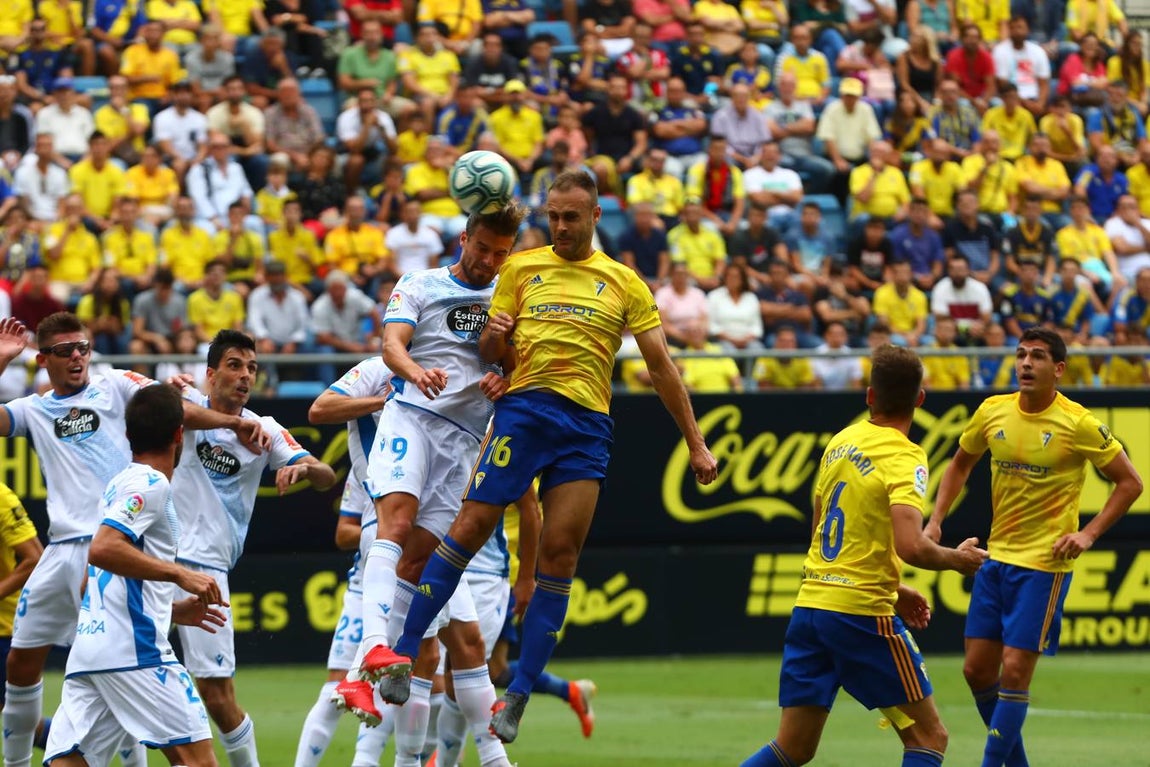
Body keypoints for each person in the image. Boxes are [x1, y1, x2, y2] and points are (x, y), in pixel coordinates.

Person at [363, 170, 719, 742]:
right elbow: (489, 353)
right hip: (524, 415)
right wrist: (497, 334)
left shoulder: (624, 282)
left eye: (570, 217)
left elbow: (660, 368)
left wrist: (696, 445)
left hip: (585, 428)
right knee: (470, 525)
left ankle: (520, 695)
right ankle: (402, 654)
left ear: (596, 216)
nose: (559, 226)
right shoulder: (522, 268)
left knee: (560, 554)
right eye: (552, 215)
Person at [0, 311, 268, 767]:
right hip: (77, 549)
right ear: (43, 359)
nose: (77, 358)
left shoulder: (115, 383)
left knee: (84, 739)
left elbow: (171, 407)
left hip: (109, 557)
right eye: (65, 351)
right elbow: (108, 551)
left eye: (83, 347)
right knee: (21, 668)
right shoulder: (38, 410)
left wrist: (212, 412)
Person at [332, 205, 527, 767]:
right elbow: (393, 344)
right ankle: (371, 651)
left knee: (417, 566)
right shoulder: (420, 282)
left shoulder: (508, 296)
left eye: (500, 253)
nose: (489, 261)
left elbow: (525, 364)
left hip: (464, 442)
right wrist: (415, 372)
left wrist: (507, 373)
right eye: (482, 248)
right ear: (464, 238)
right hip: (412, 416)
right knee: (394, 524)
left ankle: (360, 676)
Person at [740, 344, 988, 767]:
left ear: (869, 396)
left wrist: (894, 588)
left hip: (812, 606)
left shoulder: (841, 440)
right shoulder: (905, 455)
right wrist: (956, 560)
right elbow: (910, 545)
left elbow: (821, 527)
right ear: (921, 399)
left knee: (792, 749)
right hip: (859, 614)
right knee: (929, 738)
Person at [927, 327, 1143, 767]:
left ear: (1058, 369)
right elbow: (960, 464)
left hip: (1044, 566)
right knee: (976, 671)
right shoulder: (992, 411)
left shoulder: (1078, 422)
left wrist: (1088, 534)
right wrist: (934, 520)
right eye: (1022, 355)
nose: (1026, 363)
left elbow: (1131, 482)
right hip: (995, 558)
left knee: (1016, 671)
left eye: (1038, 356)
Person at [169, 330, 337, 767]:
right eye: (235, 366)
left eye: (252, 368)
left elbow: (327, 476)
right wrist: (233, 423)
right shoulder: (185, 403)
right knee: (125, 675)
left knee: (217, 695)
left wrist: (304, 470)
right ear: (210, 374)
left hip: (206, 570)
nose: (245, 376)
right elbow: (175, 412)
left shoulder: (268, 430)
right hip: (151, 563)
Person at [42, 384, 226, 767]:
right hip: (135, 651)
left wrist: (172, 610)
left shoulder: (116, 486)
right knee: (198, 761)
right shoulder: (150, 484)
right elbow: (104, 549)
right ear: (180, 434)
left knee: (70, 762)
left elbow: (93, 577)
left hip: (91, 650)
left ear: (128, 436)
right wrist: (180, 575)